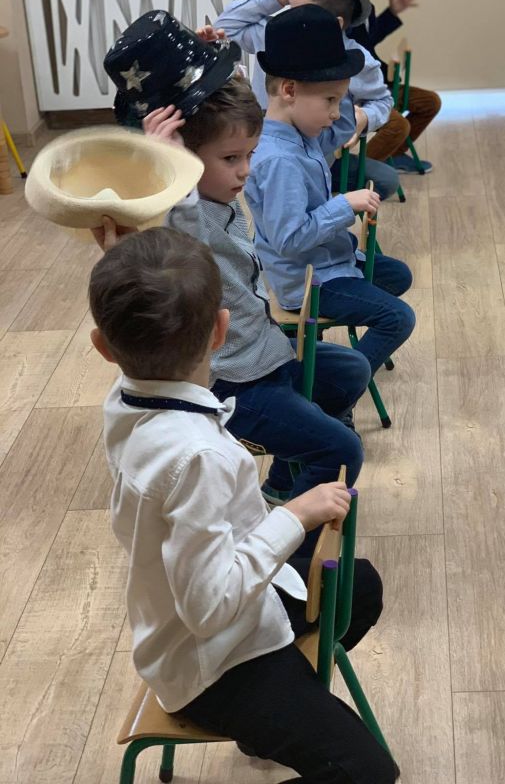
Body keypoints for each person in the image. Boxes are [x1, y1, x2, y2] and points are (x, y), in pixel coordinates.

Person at [89, 227, 398, 783]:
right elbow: (209, 609)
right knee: (367, 774)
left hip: (223, 615)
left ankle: (272, 723)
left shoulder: (126, 396)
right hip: (213, 666)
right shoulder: (197, 458)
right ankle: (268, 714)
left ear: (104, 348)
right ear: (221, 330)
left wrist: (120, 260)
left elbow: (138, 334)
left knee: (360, 585)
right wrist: (293, 516)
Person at [101, 11, 370, 516]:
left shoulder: (213, 189)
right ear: (182, 162)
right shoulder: (180, 215)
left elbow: (230, 118)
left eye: (249, 154)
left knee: (350, 370)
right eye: (231, 159)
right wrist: (169, 165)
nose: (246, 170)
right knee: (341, 450)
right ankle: (293, 547)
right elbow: (181, 215)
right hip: (232, 384)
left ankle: (283, 484)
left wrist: (216, 66)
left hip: (263, 351)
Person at [246, 3, 415, 379]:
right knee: (398, 319)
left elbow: (341, 126)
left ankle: (337, 368)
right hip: (307, 280)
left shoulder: (302, 134)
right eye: (330, 101)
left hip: (330, 262)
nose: (337, 112)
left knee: (398, 276)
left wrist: (339, 82)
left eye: (339, 99)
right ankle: (338, 388)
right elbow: (289, 239)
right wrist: (344, 205)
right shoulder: (279, 160)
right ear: (289, 90)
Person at [216, 0, 406, 197]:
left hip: (316, 149)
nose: (292, 18)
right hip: (264, 143)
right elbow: (225, 27)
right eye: (289, 9)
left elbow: (382, 101)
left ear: (336, 24)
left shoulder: (356, 59)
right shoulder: (275, 35)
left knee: (384, 181)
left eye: (303, 14)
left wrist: (364, 118)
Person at [319, 0, 442, 173]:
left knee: (430, 102)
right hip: (354, 91)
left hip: (379, 83)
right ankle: (360, 172)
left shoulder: (366, 8)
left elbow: (370, 38)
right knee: (397, 125)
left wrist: (392, 12)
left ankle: (391, 156)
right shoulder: (336, 14)